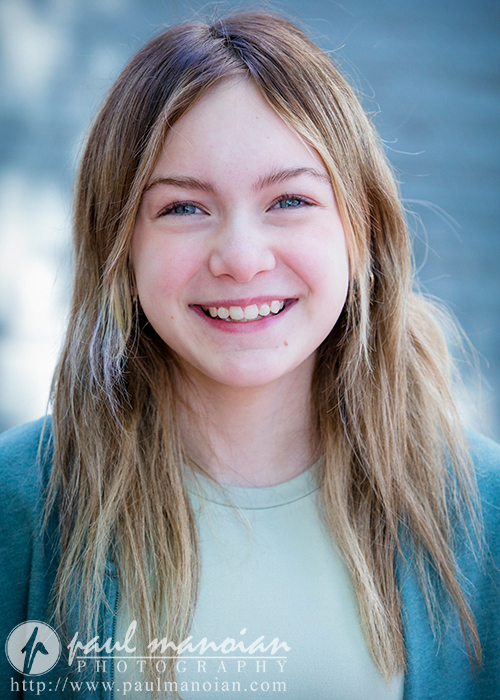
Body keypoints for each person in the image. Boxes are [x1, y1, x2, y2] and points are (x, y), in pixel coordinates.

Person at [0, 10, 499, 700]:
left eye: (289, 199)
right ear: (120, 248)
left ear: (364, 231)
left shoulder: (486, 517)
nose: (240, 258)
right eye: (183, 208)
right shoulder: (17, 506)